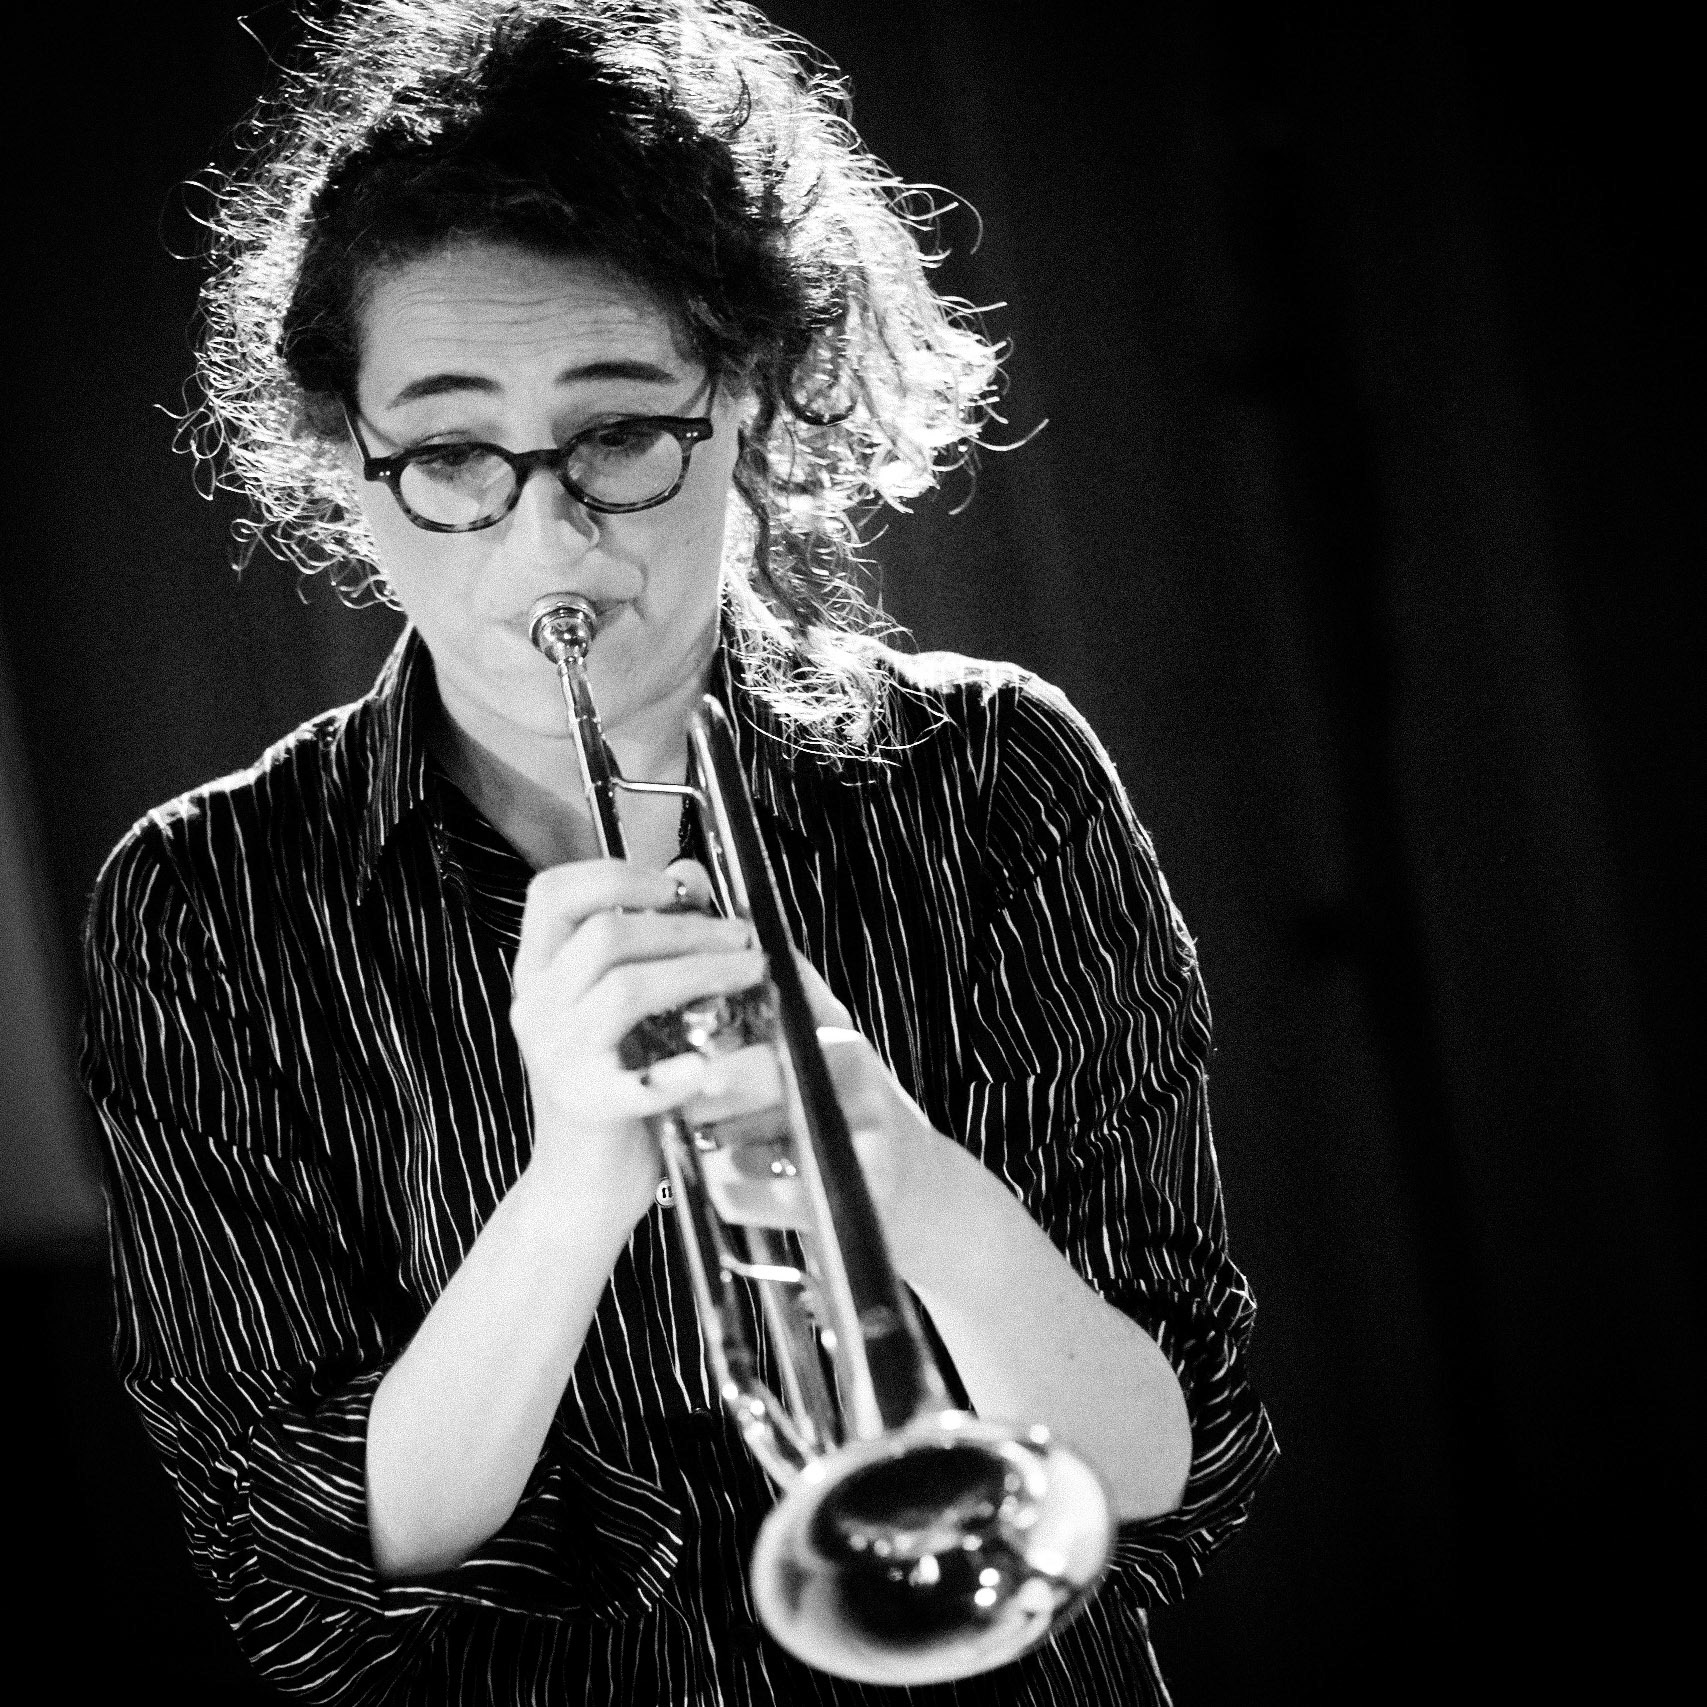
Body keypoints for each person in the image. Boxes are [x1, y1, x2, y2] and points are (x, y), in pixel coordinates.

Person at [80, 2, 1277, 1702]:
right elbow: (303, 1571)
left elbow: (1168, 1465)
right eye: (449, 453)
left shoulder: (994, 777)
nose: (546, 535)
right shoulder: (204, 905)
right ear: (348, 468)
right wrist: (575, 1189)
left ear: (751, 409)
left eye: (622, 434)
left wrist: (907, 1177)